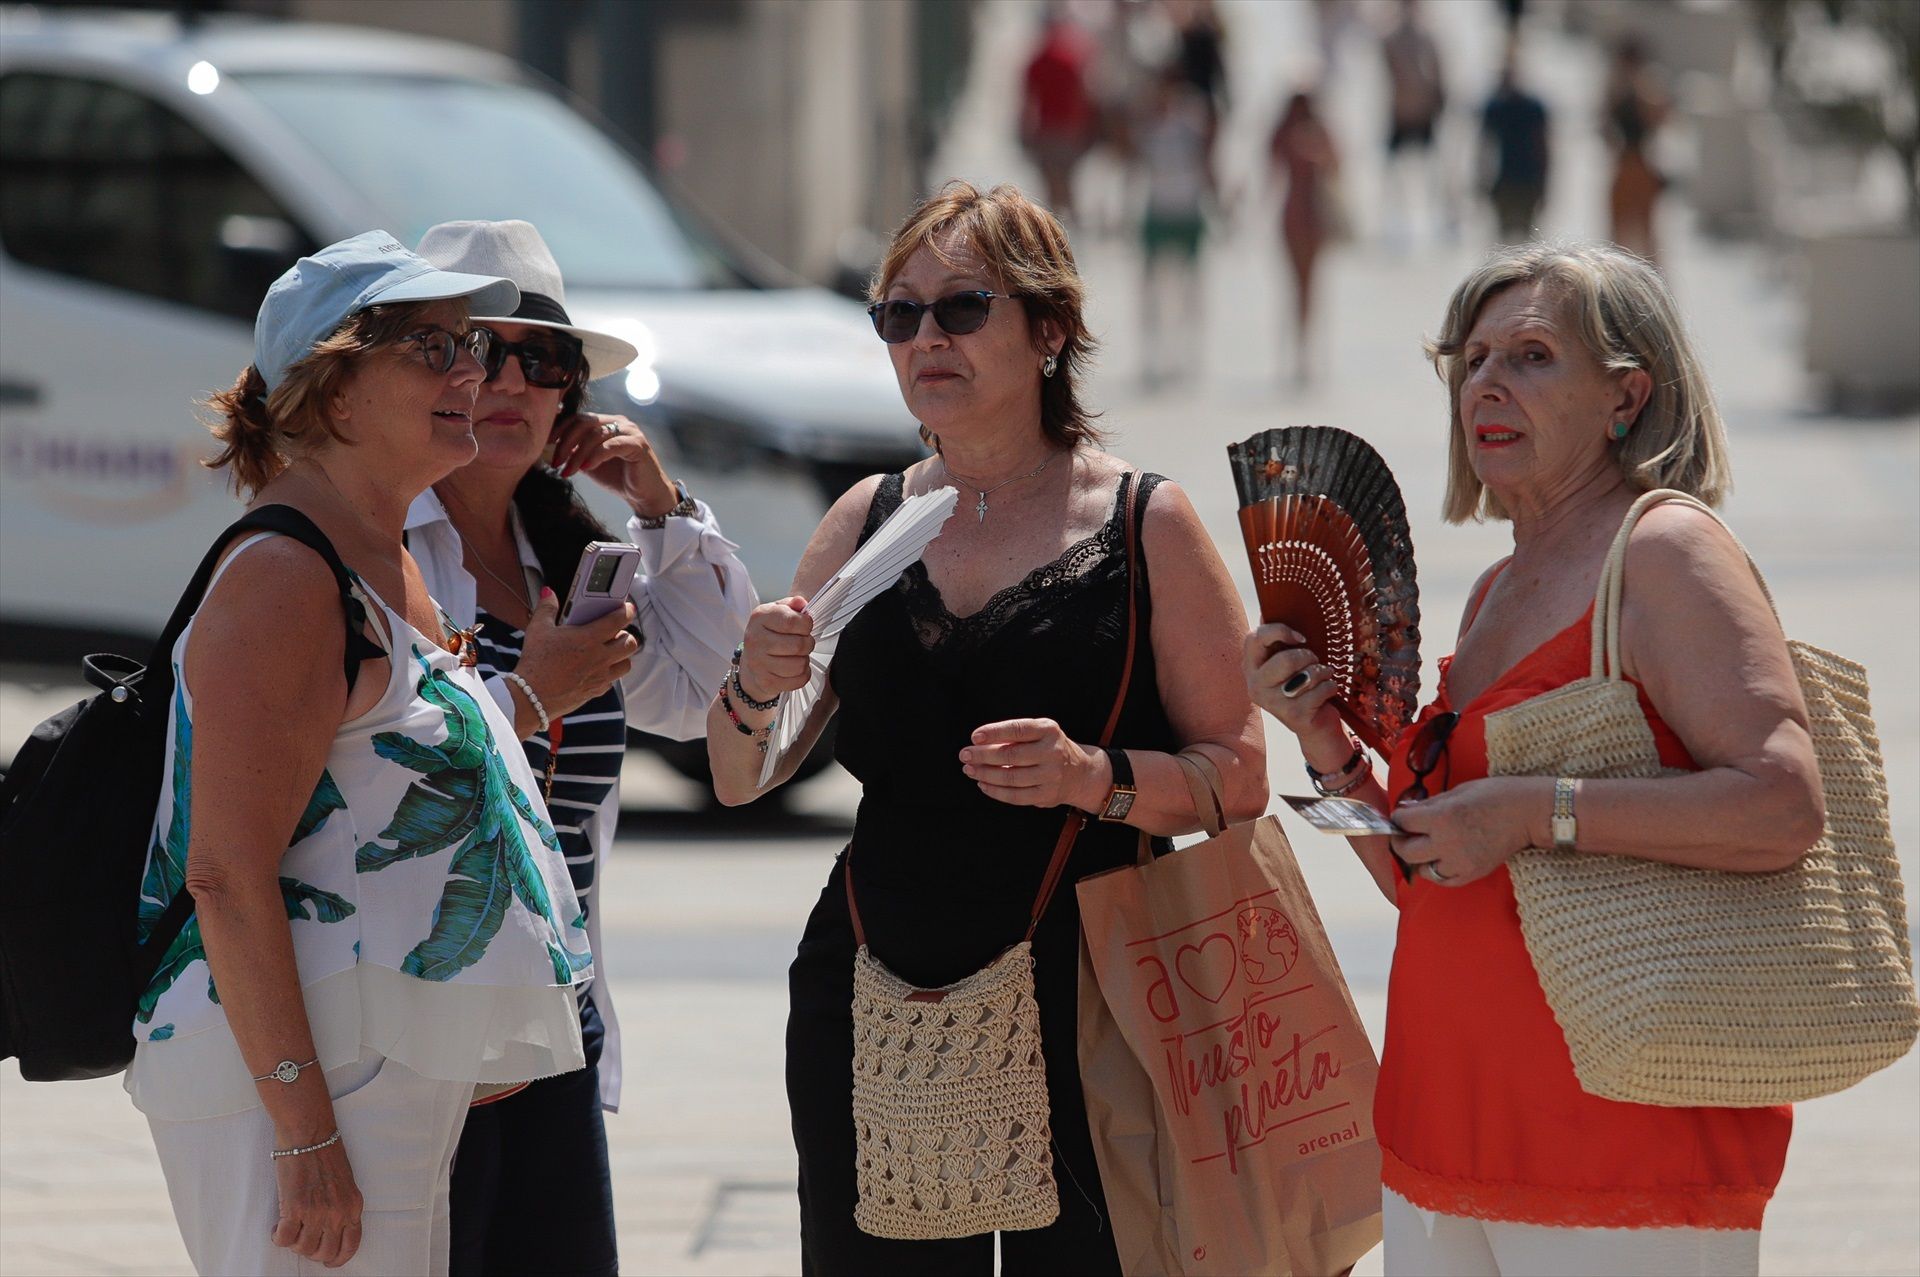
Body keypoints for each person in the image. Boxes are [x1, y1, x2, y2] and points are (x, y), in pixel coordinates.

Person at [710, 180, 1266, 1273]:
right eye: (897, 314)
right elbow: (740, 776)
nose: (927, 338)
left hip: (1094, 990)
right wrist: (752, 681)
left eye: (963, 307)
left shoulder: (1145, 519)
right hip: (873, 981)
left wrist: (1091, 776)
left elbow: (1237, 772)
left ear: (1048, 329)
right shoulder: (867, 518)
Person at [1246, 240, 1822, 1275]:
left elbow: (1783, 804)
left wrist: (1528, 809)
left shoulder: (1663, 552)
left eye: (1533, 356)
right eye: (1473, 360)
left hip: (1618, 1142)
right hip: (1441, 1123)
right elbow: (1435, 878)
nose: (1489, 385)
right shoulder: (1495, 591)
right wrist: (1324, 740)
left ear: (1627, 395)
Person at [129, 232, 595, 1275]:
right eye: (431, 347)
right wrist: (303, 1131)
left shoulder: (381, 564)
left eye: (464, 342)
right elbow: (225, 873)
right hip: (290, 1083)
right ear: (334, 392)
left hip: (368, 1071)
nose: (471, 370)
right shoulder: (285, 575)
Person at [409, 220, 756, 1275]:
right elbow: (366, 770)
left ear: (573, 400)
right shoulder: (375, 540)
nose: (512, 380)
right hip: (413, 1034)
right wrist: (526, 692)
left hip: (554, 1033)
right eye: (480, 348)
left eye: (546, 360)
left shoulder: (573, 560)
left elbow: (714, 691)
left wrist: (662, 507)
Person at [1136, 62, 1215, 388]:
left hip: (1186, 209)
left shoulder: (1191, 122)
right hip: (1158, 209)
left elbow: (1207, 160)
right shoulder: (1148, 124)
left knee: (1189, 286)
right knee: (1153, 286)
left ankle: (1187, 352)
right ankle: (1153, 352)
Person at [1269, 88, 1343, 385]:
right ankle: (1296, 352)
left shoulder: (1319, 131)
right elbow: (1271, 170)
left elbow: (1337, 166)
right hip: (1295, 215)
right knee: (1295, 287)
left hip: (1314, 216)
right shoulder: (1283, 131)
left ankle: (1308, 353)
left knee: (1311, 288)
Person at [1380, 0, 1451, 249]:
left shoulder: (1427, 36)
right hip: (1401, 112)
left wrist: (1437, 100)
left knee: (1433, 172)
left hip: (1422, 112)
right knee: (1395, 174)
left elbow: (1437, 72)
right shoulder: (1391, 36)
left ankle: (1440, 222)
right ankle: (1396, 224)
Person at [1021, 7, 1101, 222]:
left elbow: (1028, 102)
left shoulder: (1038, 61)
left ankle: (1056, 227)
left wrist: (1026, 130)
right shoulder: (1072, 58)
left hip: (1048, 131)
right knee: (1065, 182)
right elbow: (1084, 95)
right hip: (1068, 130)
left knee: (1052, 184)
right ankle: (1066, 227)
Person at [1605, 34, 1670, 264]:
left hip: (1641, 163)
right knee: (1618, 234)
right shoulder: (1616, 86)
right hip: (1624, 162)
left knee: (1646, 234)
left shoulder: (1646, 87)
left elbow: (1660, 119)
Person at [1479, 41, 1551, 243]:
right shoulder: (1494, 106)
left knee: (1527, 236)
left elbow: (1543, 144)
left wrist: (1545, 181)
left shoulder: (1533, 107)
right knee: (1504, 237)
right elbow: (1485, 144)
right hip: (1503, 177)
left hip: (1528, 177)